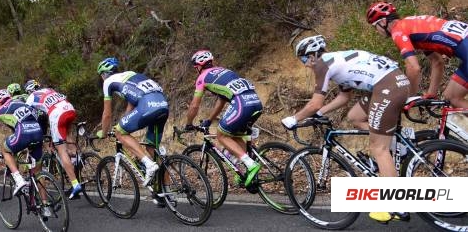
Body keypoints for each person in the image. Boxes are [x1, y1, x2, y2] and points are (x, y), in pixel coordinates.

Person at [282, 34, 411, 225]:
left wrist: (294, 119)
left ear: (312, 54)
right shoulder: (336, 60)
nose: (305, 64)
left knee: (379, 149)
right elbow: (344, 98)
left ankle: (395, 205)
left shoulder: (321, 65)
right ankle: (398, 143)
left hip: (387, 87)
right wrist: (320, 113)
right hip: (395, 82)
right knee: (355, 117)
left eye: (303, 59)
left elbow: (315, 103)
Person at [182, 50, 263, 187]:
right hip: (256, 102)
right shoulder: (224, 71)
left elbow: (194, 106)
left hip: (241, 103)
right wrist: (209, 119)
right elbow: (222, 100)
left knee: (221, 136)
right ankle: (244, 173)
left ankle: (251, 165)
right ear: (211, 62)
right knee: (237, 136)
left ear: (198, 66)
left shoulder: (202, 78)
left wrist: (188, 123)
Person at [367, 1, 468, 108]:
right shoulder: (411, 25)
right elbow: (437, 61)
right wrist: (431, 94)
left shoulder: (398, 31)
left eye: (375, 26)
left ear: (383, 22)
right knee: (451, 97)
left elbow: (413, 68)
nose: (377, 31)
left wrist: (408, 97)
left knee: (453, 98)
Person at [95, 57, 167, 187]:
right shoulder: (131, 74)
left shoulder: (108, 82)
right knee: (152, 149)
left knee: (119, 133)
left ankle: (148, 164)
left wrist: (104, 132)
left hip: (148, 105)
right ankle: (166, 192)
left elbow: (107, 114)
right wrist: (123, 123)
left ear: (104, 74)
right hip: (162, 104)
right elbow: (132, 104)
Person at [0, 88, 47, 213]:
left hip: (23, 132)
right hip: (38, 132)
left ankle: (19, 179)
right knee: (38, 173)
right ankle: (45, 205)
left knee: (5, 150)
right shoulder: (24, 103)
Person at [24, 79, 83, 199]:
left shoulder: (31, 98)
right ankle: (77, 160)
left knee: (60, 148)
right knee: (67, 136)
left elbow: (32, 118)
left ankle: (75, 184)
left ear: (28, 91)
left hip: (56, 114)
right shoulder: (49, 90)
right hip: (69, 108)